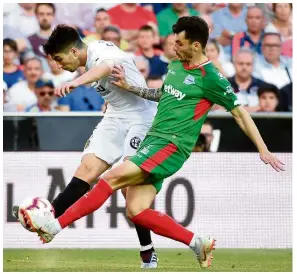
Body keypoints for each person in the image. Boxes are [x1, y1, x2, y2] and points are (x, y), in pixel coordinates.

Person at [23, 17, 284, 269]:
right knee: (136, 209)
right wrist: (130, 87)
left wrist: (263, 149)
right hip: (152, 137)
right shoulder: (176, 65)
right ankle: (196, 243)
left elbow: (240, 112)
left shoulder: (211, 77)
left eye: (178, 43)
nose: (172, 47)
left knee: (109, 180)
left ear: (195, 45)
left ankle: (53, 227)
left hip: (170, 144)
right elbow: (160, 94)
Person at [13, 24, 158, 269]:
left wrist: (75, 82)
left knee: (128, 191)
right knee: (86, 170)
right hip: (115, 115)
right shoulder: (92, 53)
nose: (58, 65)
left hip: (141, 119)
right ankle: (48, 220)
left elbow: (107, 67)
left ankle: (148, 252)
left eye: (59, 59)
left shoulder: (100, 53)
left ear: (72, 51)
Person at [228, 48, 267, 112]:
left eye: (248, 64)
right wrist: (252, 109)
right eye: (241, 63)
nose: (244, 67)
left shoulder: (263, 86)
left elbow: (267, 107)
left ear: (253, 65)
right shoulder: (223, 85)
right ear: (234, 64)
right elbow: (219, 108)